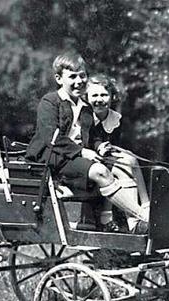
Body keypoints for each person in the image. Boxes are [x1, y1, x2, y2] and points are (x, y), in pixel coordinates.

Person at [26, 52, 148, 233]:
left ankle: (134, 225)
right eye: (72, 77)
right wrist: (82, 152)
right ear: (59, 79)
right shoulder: (50, 102)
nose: (79, 81)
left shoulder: (84, 107)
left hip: (75, 159)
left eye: (82, 75)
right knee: (100, 171)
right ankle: (143, 217)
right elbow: (51, 138)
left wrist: (99, 146)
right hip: (52, 158)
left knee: (124, 165)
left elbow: (92, 134)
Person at [85, 73, 150, 232]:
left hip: (106, 157)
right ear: (86, 97)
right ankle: (123, 216)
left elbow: (116, 142)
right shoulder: (85, 117)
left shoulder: (115, 118)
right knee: (122, 166)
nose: (99, 99)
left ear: (112, 97)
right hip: (89, 158)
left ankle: (142, 208)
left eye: (104, 95)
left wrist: (112, 149)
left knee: (130, 160)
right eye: (94, 95)